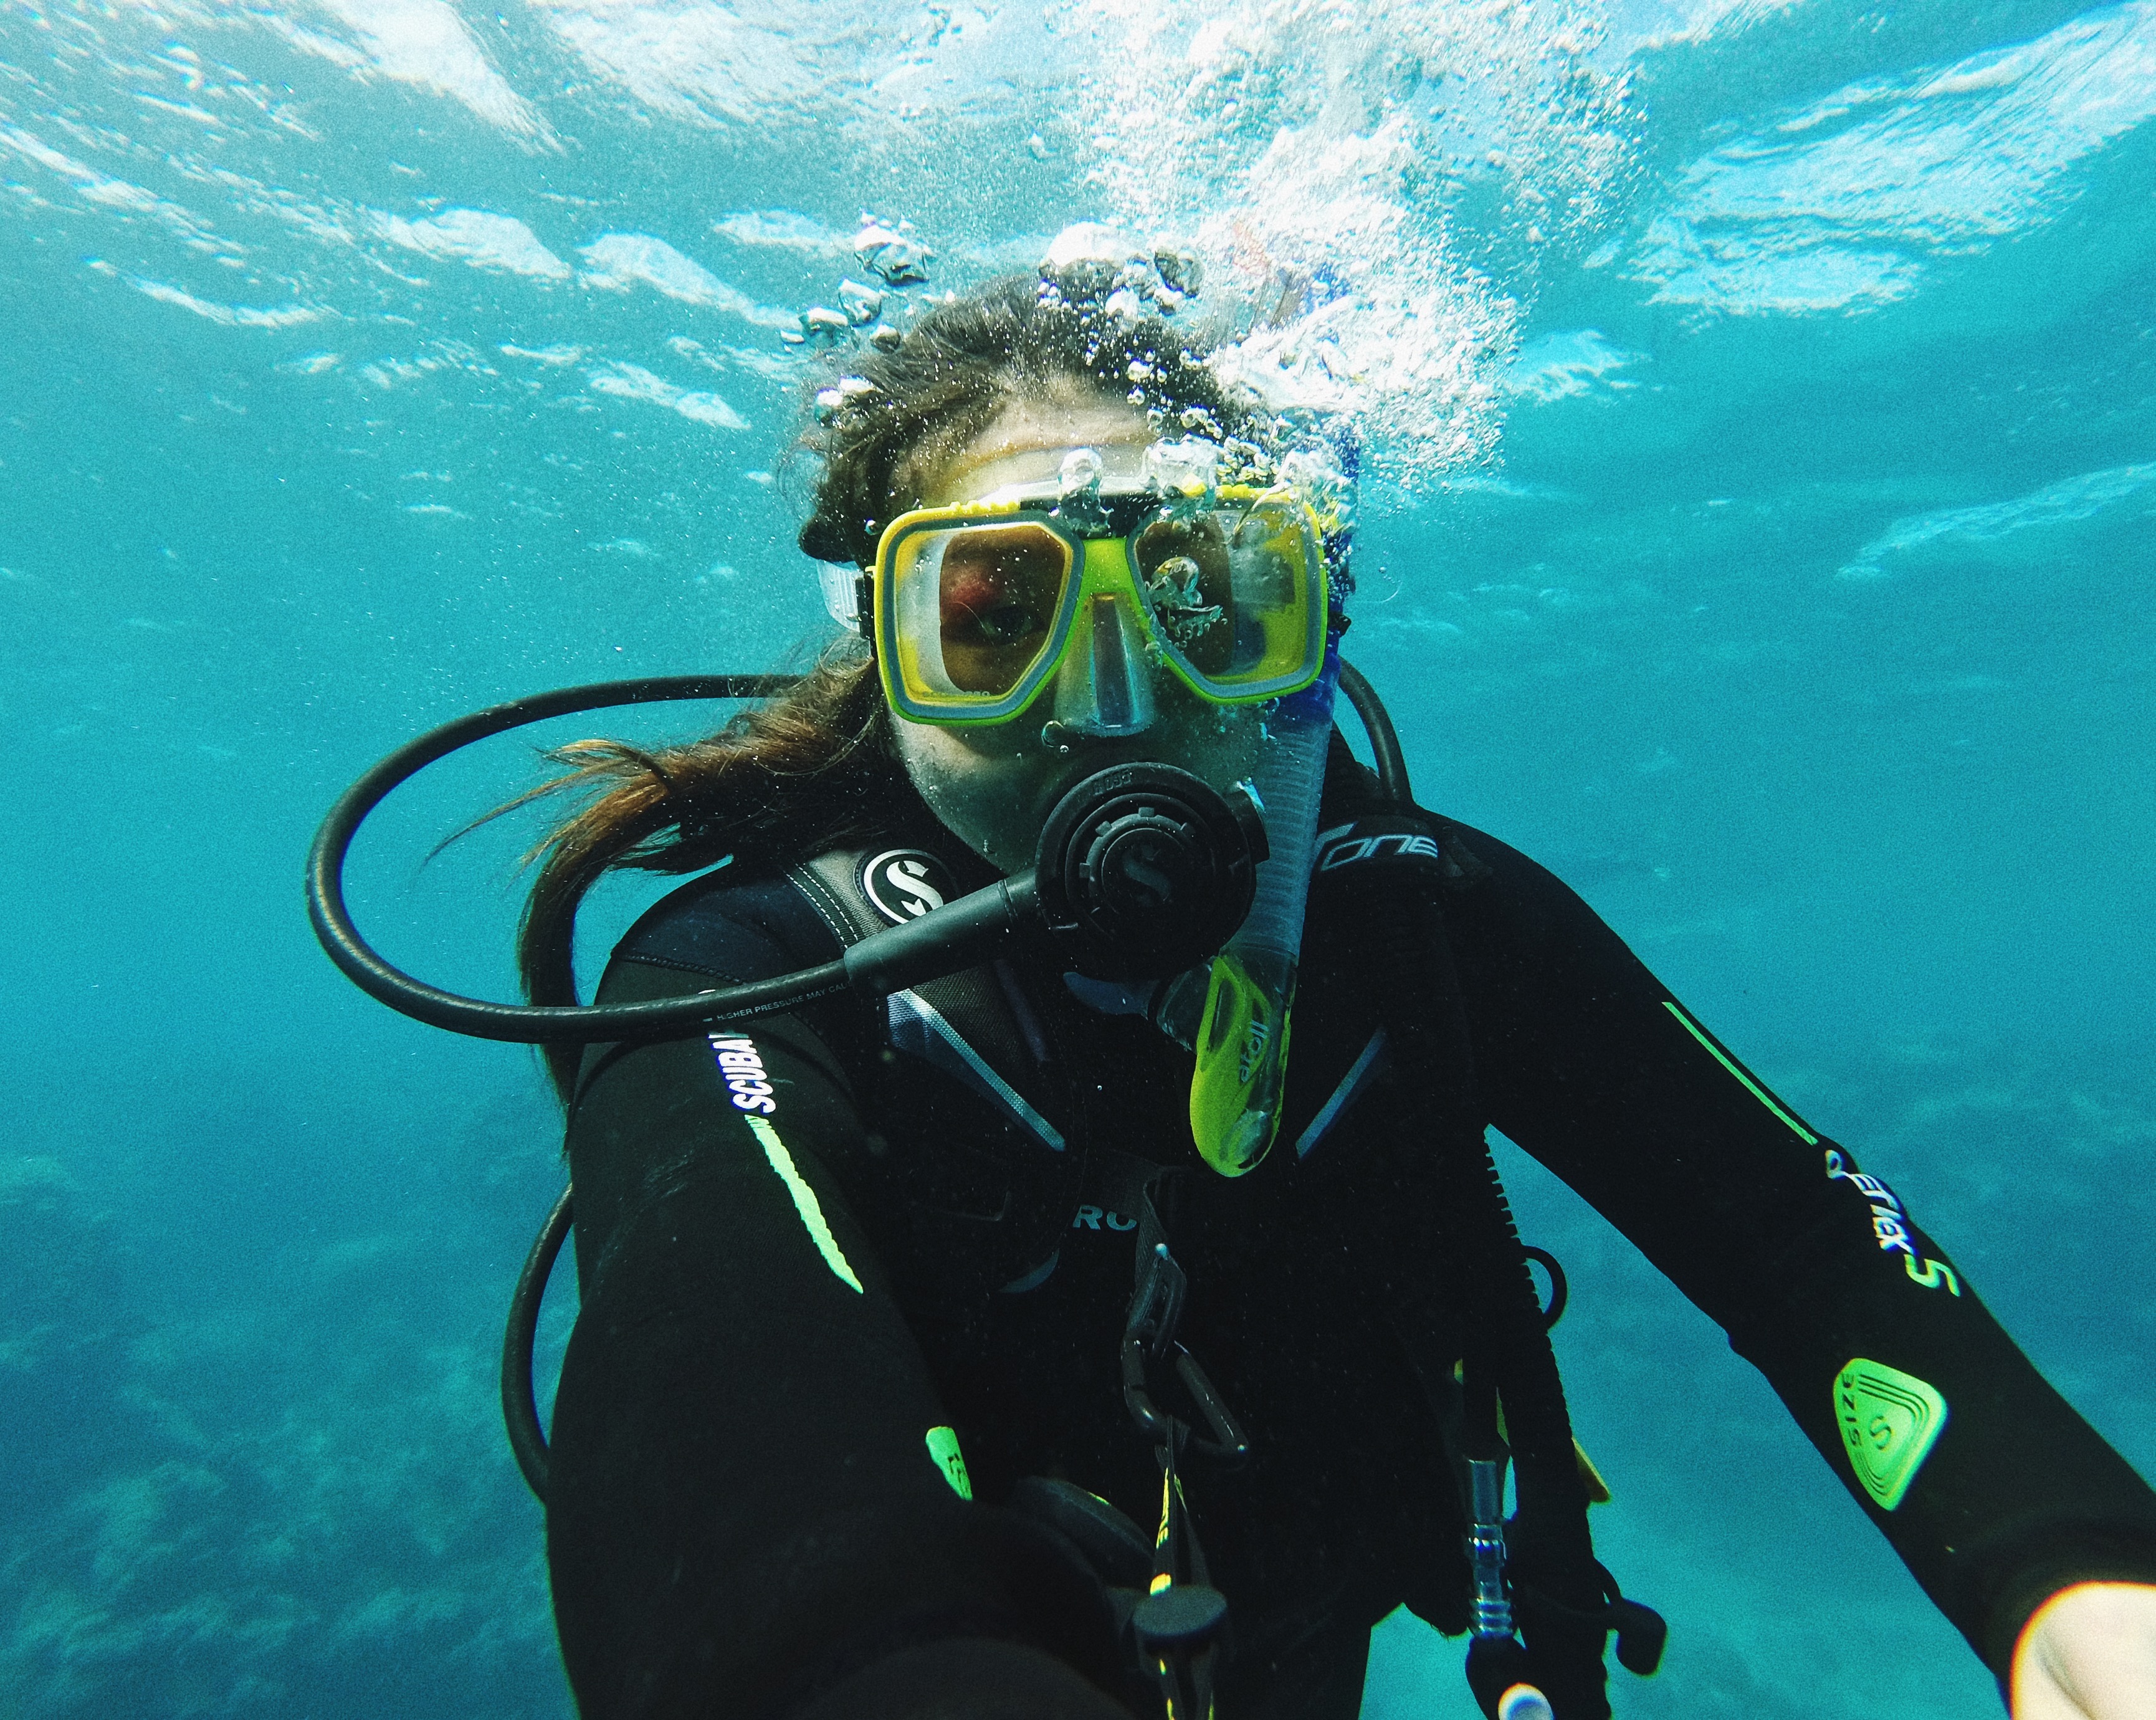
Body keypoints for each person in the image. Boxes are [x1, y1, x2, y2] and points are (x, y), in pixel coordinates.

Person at [520, 264, 2156, 1720]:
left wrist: (2067, 1573)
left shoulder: (1414, 923)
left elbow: (1803, 1253)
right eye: (992, 619)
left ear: (1304, 627)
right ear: (882, 641)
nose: (1108, 705)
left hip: (1309, 1632)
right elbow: (712, 1386)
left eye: (1203, 599)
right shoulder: (751, 976)